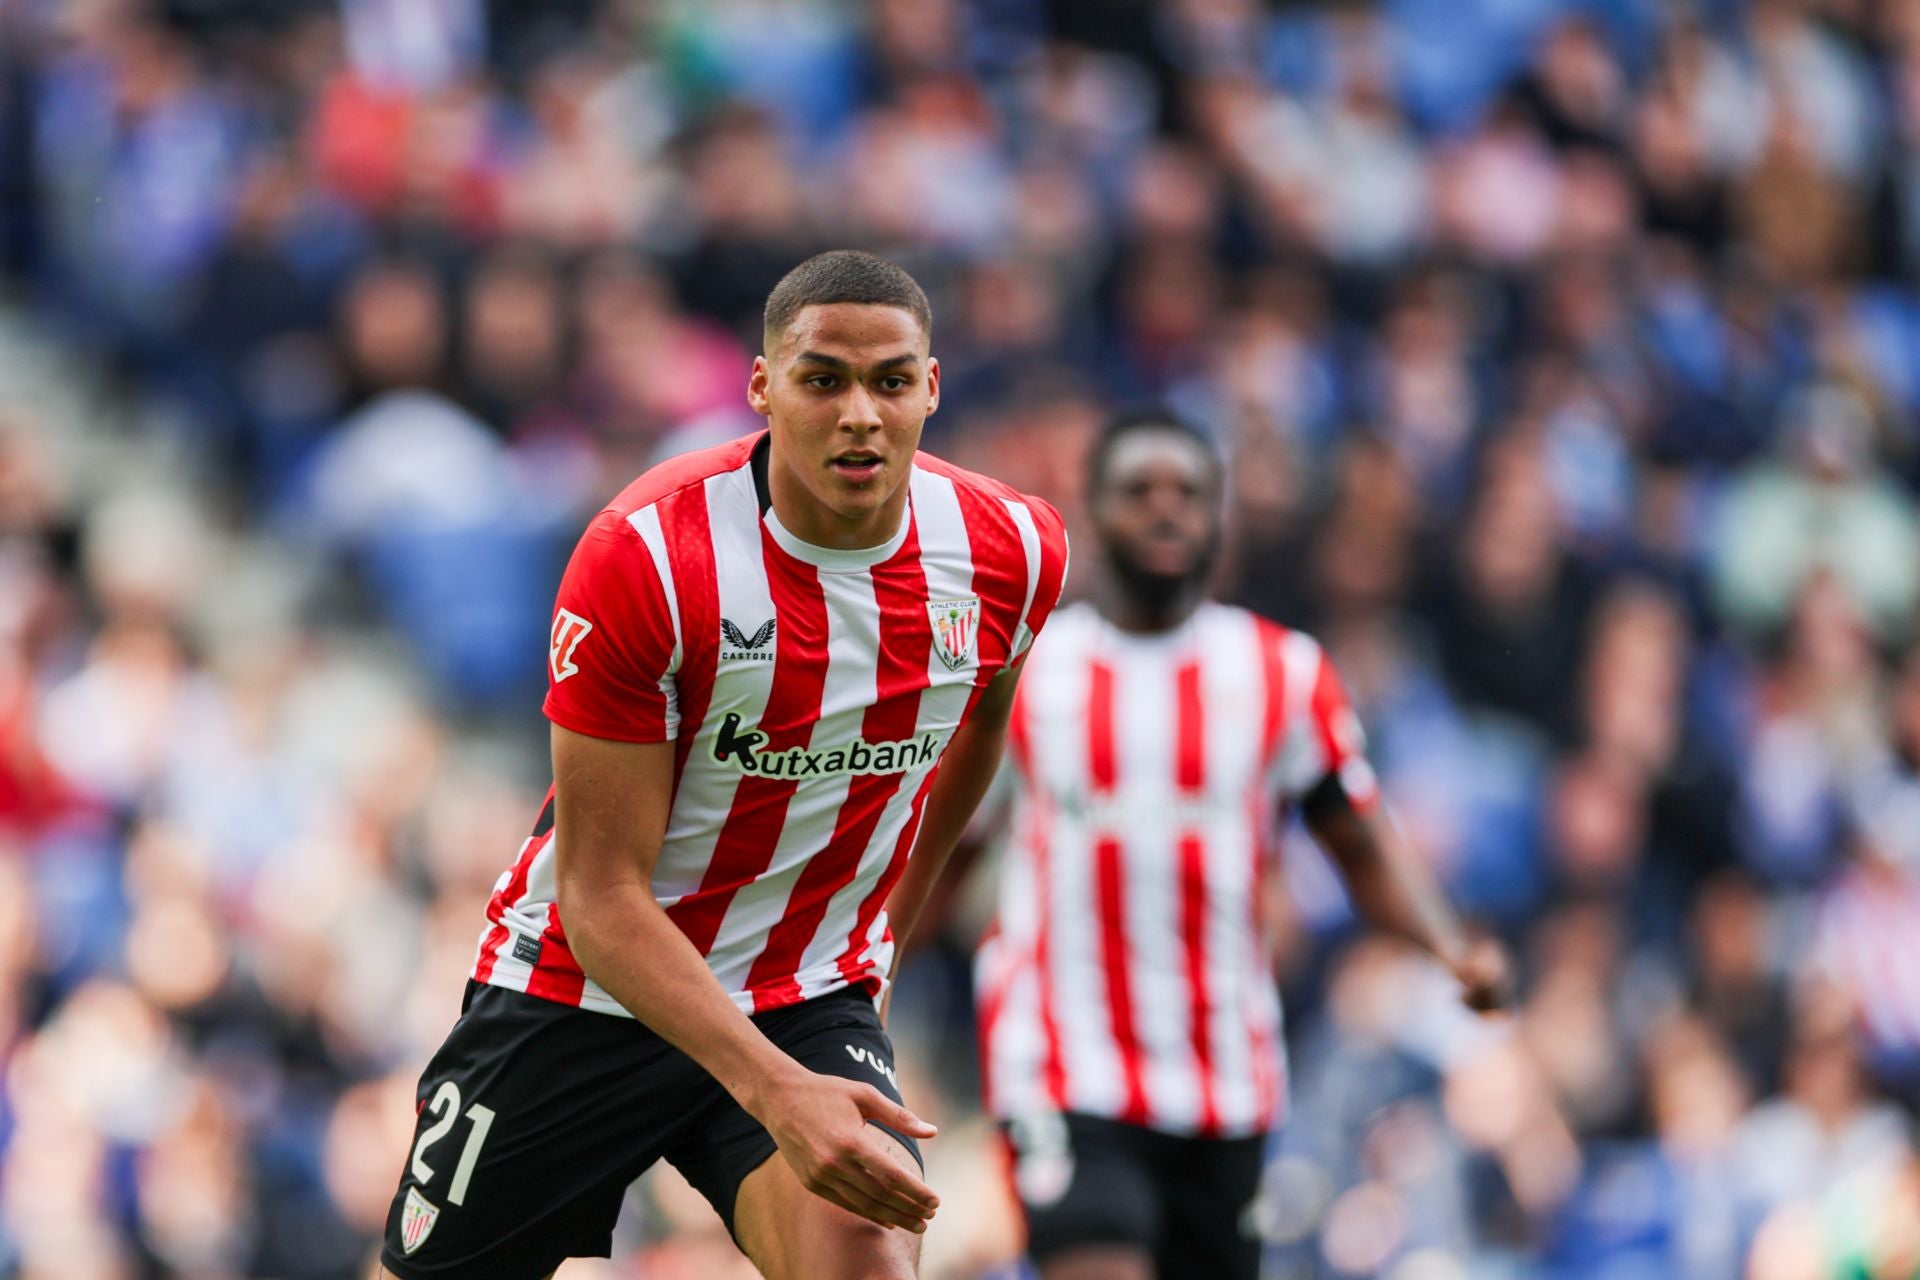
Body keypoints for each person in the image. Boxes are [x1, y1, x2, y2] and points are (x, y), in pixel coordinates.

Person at [374, 250, 1069, 1280]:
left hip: (803, 989)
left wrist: (880, 940)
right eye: (822, 378)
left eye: (889, 381)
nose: (860, 413)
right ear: (761, 389)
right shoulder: (649, 556)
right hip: (588, 990)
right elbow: (600, 897)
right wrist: (774, 1088)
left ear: (930, 387)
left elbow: (976, 735)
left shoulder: (1014, 547)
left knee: (867, 1253)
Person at [967, 410, 1509, 1280]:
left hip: (1223, 1074)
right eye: (1139, 491)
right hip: (1063, 1061)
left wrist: (1451, 948)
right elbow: (945, 850)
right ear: (1094, 514)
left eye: (1188, 493)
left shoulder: (1283, 674)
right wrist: (864, 984)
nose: (1165, 510)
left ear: (1220, 519)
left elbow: (1359, 845)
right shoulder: (1029, 676)